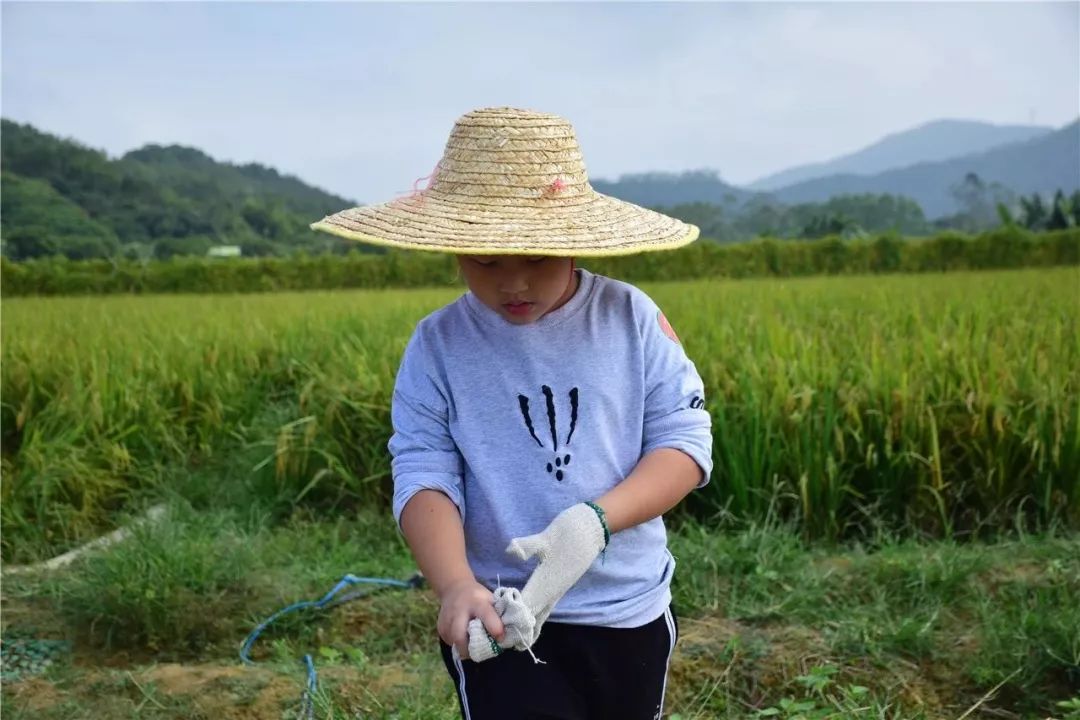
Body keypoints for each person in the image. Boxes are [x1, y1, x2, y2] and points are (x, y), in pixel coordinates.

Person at [311, 106, 713, 720]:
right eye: (486, 262)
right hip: (497, 611)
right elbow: (423, 470)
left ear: (574, 242)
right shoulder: (439, 344)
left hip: (623, 606)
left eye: (537, 256)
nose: (514, 283)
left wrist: (597, 521)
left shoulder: (629, 319)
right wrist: (453, 584)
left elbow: (684, 441)